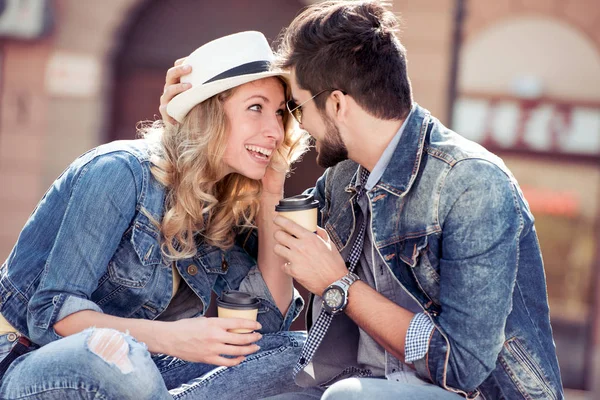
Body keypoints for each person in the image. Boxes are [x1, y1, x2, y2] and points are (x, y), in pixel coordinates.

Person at [161, 2, 565, 399]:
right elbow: (253, 238)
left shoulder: (471, 184)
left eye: (297, 108)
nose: (296, 126)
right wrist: (190, 124)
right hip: (359, 380)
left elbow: (462, 366)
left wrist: (340, 285)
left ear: (336, 104)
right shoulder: (346, 177)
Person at [0, 31, 310, 400]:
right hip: (28, 362)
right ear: (209, 112)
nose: (276, 131)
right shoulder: (119, 171)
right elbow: (52, 316)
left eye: (279, 112)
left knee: (300, 352)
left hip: (145, 371)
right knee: (118, 352)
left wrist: (271, 191)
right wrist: (175, 339)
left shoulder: (221, 202)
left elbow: (270, 323)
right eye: (256, 107)